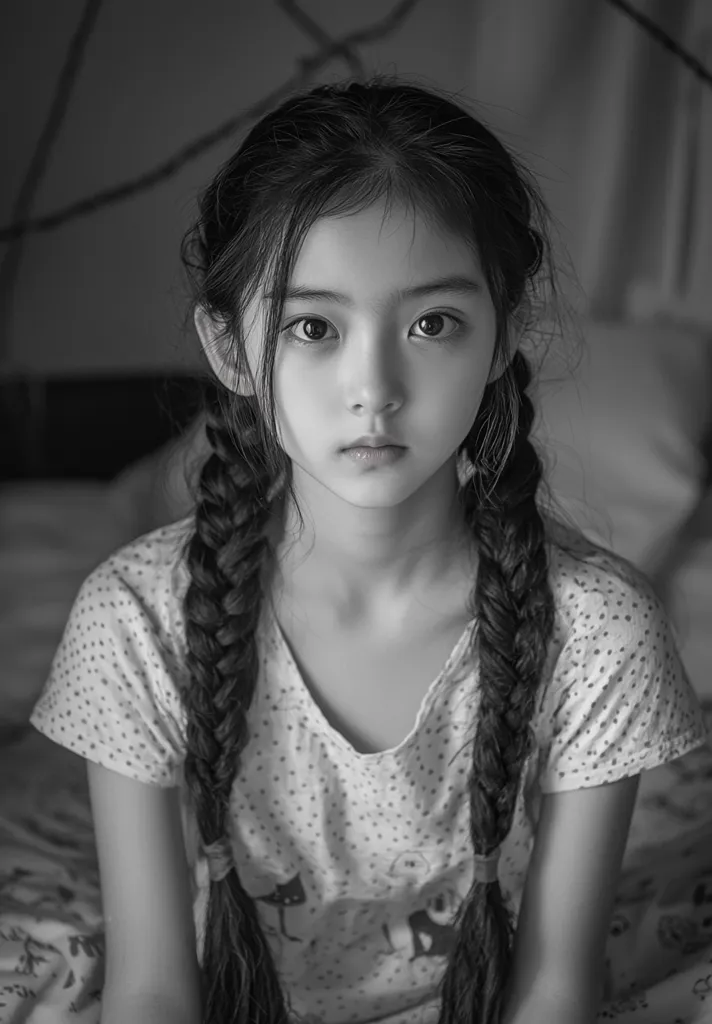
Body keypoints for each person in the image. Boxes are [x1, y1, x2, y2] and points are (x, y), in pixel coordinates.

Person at [29, 75, 708, 1024]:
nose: (374, 387)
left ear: (505, 333)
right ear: (229, 351)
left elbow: (556, 985)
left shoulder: (598, 631)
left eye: (434, 324)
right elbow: (150, 990)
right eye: (313, 327)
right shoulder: (136, 620)